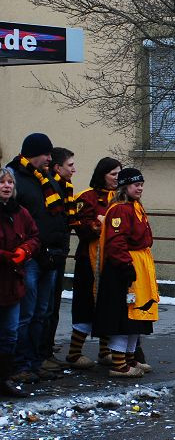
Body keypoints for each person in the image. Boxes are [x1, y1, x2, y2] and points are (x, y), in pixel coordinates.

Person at [7, 133, 69, 384]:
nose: (49, 158)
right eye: (46, 154)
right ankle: (20, 364)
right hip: (31, 257)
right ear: (33, 153)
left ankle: (35, 361)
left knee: (43, 312)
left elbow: (58, 215)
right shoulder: (15, 177)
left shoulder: (44, 179)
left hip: (50, 256)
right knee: (27, 313)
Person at [92, 168, 159, 377]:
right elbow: (116, 240)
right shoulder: (120, 209)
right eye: (135, 184)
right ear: (125, 186)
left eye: (141, 184)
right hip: (125, 267)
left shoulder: (135, 207)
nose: (140, 188)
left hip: (139, 264)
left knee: (137, 315)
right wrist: (126, 266)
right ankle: (119, 364)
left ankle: (130, 359)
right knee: (125, 315)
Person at [65, 158, 121, 368]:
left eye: (119, 174)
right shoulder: (85, 197)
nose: (117, 178)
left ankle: (105, 351)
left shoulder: (121, 198)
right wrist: (101, 225)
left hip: (112, 260)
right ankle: (74, 352)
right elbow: (81, 227)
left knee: (109, 303)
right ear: (102, 174)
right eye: (113, 174)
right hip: (89, 261)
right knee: (85, 304)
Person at [0, 167, 39, 397]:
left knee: (10, 333)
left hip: (13, 282)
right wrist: (6, 256)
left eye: (10, 183)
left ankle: (3, 378)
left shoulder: (20, 212)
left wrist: (25, 250)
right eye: (2, 182)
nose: (6, 186)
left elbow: (34, 236)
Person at [42, 147, 77, 373]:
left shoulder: (67, 188)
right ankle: (41, 351)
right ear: (57, 167)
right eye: (70, 165)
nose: (74, 169)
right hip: (49, 252)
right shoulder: (48, 187)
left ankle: (47, 348)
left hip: (60, 250)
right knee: (44, 306)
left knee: (53, 305)